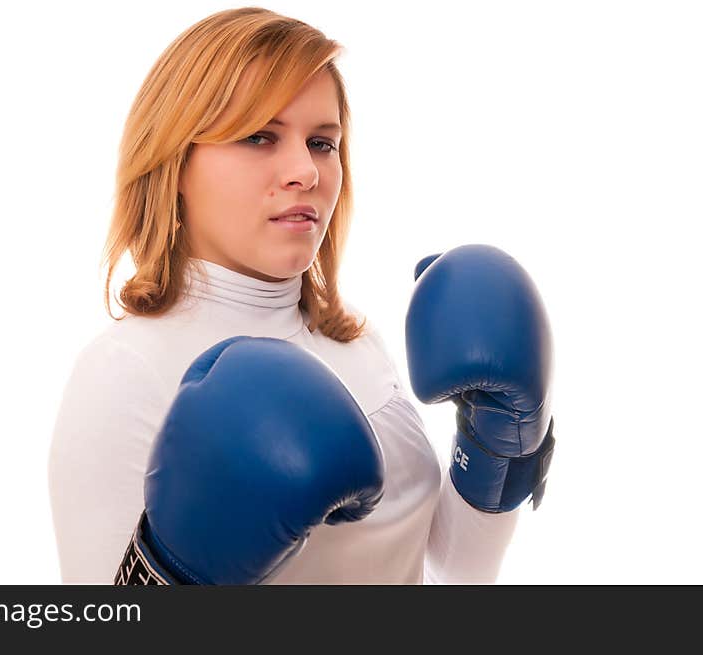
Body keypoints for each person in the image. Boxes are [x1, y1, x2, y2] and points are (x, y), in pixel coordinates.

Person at [47, 7, 555, 585]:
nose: (304, 172)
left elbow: (451, 573)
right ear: (175, 162)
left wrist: (498, 449)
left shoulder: (354, 340)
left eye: (321, 143)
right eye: (259, 136)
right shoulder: (127, 371)